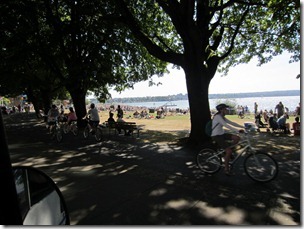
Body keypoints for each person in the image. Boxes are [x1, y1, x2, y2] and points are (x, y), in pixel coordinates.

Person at [211, 103, 244, 176]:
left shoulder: (222, 116)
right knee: (228, 151)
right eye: (225, 109)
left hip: (222, 134)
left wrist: (243, 127)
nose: (227, 110)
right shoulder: (217, 117)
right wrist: (237, 130)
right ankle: (226, 169)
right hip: (216, 136)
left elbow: (232, 123)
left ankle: (227, 152)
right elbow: (226, 125)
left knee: (237, 138)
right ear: (221, 110)